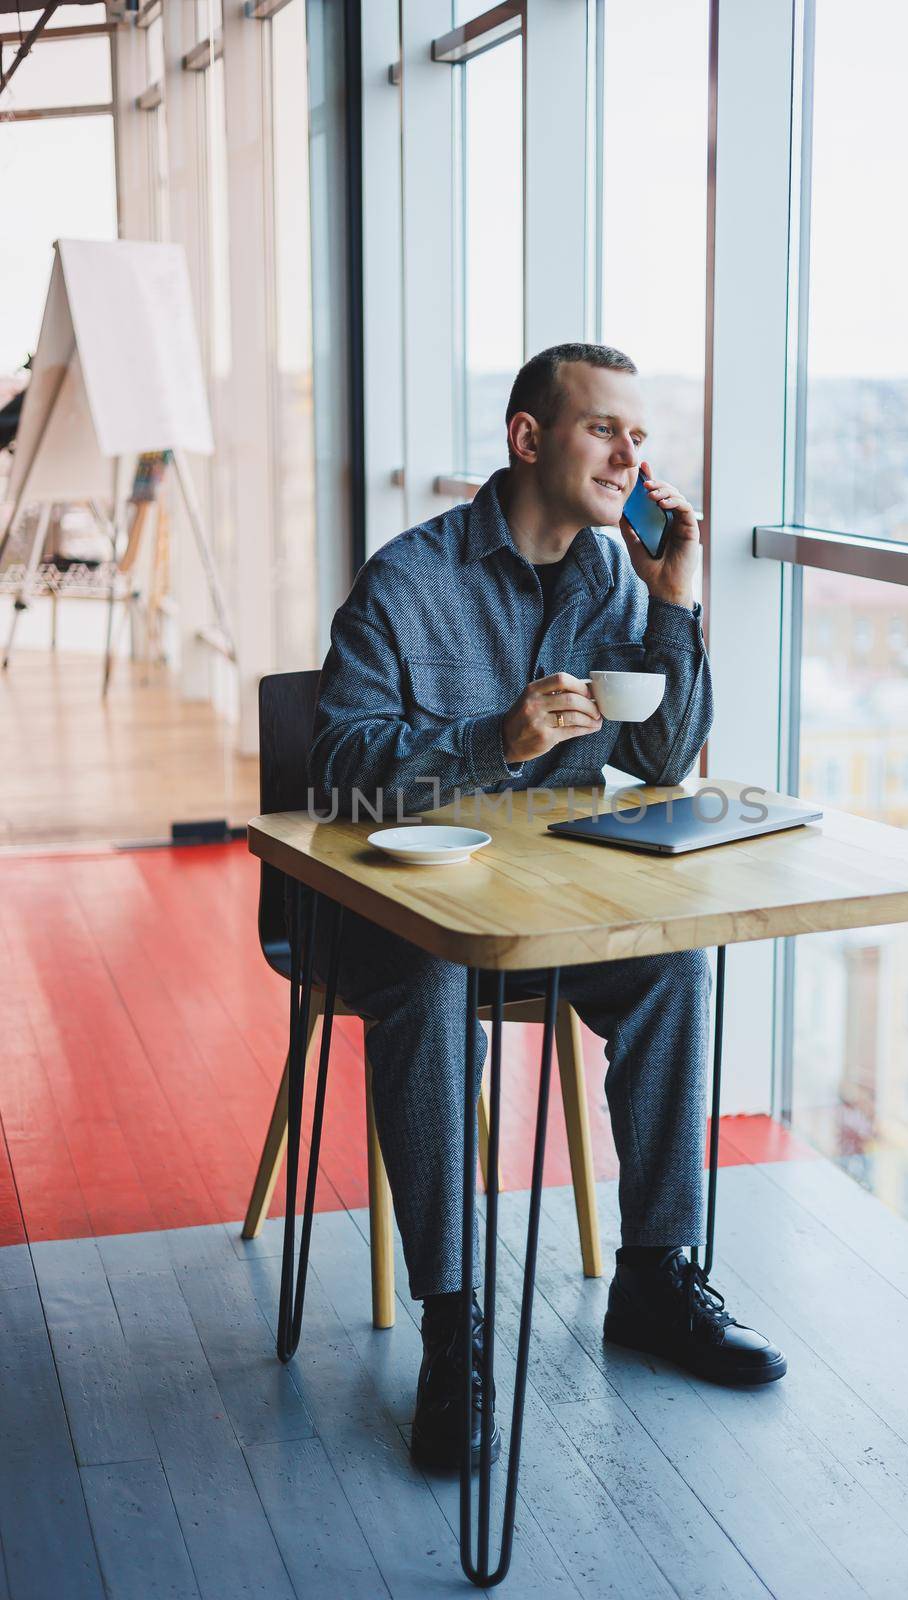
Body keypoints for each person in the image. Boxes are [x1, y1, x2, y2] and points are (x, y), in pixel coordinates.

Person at [308, 342, 785, 1470]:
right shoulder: (408, 579)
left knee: (673, 961)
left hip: (547, 907)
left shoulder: (613, 578)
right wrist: (494, 740)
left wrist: (676, 605)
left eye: (639, 434)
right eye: (603, 429)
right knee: (427, 988)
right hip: (407, 909)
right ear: (528, 438)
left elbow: (664, 759)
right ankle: (454, 1329)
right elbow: (332, 770)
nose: (631, 454)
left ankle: (657, 1281)